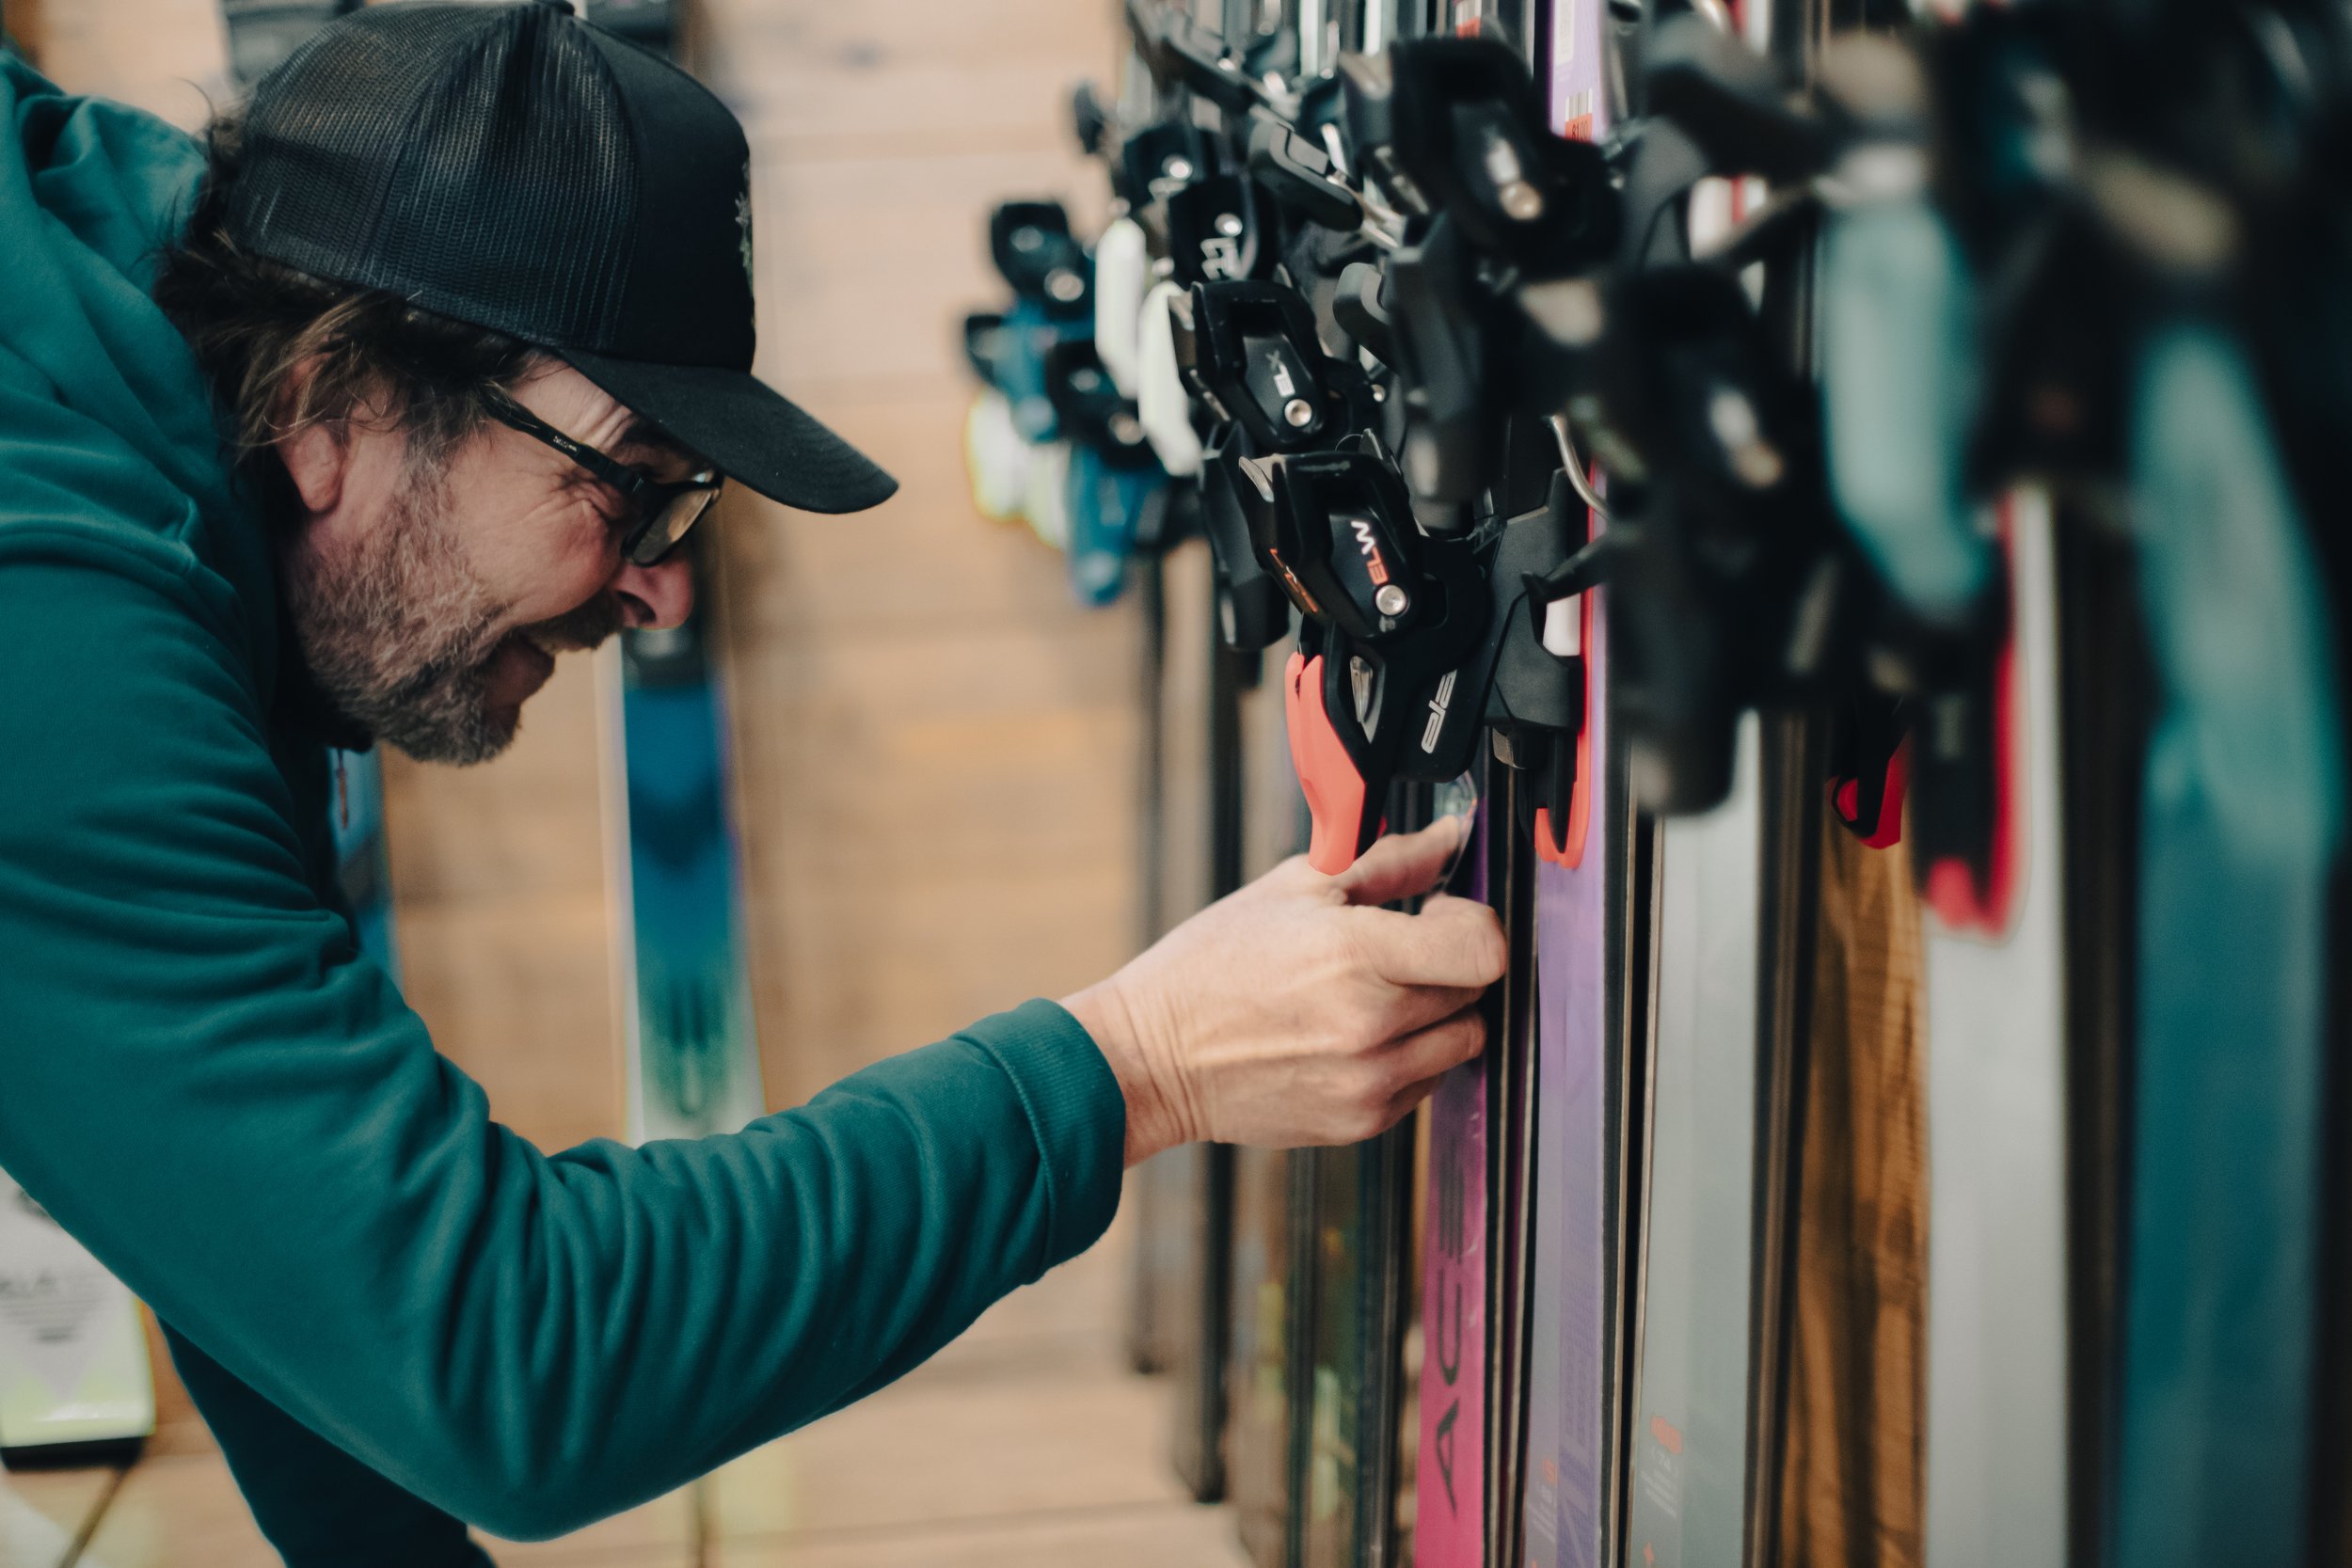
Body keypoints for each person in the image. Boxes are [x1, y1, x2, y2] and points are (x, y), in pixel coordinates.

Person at [0, 4, 1503, 1561]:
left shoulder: (183, 456)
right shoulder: (54, 601)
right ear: (341, 406)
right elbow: (496, 1355)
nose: (658, 591)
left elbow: (283, 1282)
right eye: (628, 484)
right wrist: (1137, 1068)